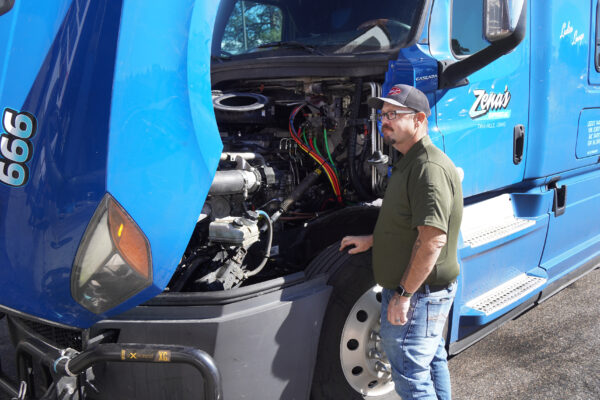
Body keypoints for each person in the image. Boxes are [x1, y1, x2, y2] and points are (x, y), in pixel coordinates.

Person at [340, 84, 463, 400]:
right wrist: (373, 240)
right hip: (422, 292)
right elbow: (409, 225)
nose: (384, 121)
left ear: (419, 119)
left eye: (393, 114)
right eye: (383, 115)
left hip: (420, 294)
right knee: (431, 361)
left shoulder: (427, 168)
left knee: (410, 378)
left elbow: (432, 240)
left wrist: (404, 295)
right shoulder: (411, 161)